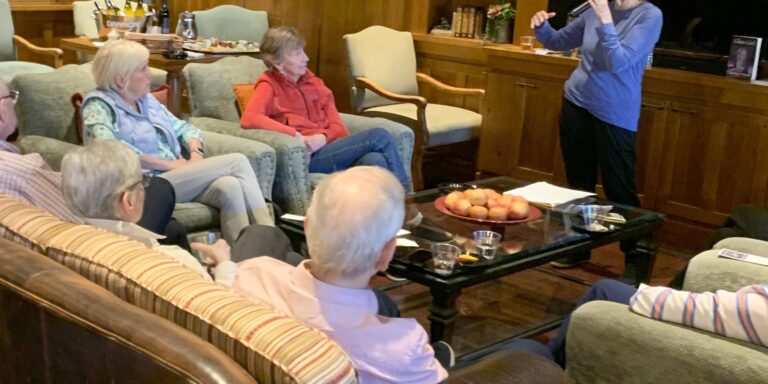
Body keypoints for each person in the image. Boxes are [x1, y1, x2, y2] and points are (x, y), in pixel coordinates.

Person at [233, 166, 450, 382]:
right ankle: (438, 356)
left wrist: (224, 263)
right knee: (389, 309)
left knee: (270, 242)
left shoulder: (250, 274)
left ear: (307, 228)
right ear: (386, 254)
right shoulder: (404, 346)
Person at [81, 40, 272, 243]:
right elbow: (110, 150)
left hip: (176, 176)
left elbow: (183, 127)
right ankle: (269, 240)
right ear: (121, 79)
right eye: (143, 69)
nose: (150, 74)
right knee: (237, 162)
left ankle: (243, 260)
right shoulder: (98, 105)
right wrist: (171, 164)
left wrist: (196, 154)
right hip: (146, 185)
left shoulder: (146, 99)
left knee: (230, 186)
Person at [531, 0, 663, 209]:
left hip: (615, 111)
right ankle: (579, 249)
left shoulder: (648, 16)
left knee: (619, 189)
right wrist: (542, 26)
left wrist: (605, 19)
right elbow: (560, 41)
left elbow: (618, 61)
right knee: (579, 188)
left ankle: (635, 250)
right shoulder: (596, 10)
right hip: (576, 103)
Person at [60, 140, 301, 285]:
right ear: (128, 201)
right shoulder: (171, 259)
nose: (146, 187)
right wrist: (225, 264)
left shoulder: (65, 247)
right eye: (142, 182)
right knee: (265, 236)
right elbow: (221, 309)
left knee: (290, 260)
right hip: (226, 319)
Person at [0, 77, 189, 248]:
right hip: (95, 244)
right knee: (159, 187)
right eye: (11, 97)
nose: (147, 74)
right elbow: (74, 213)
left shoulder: (147, 101)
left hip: (78, 235)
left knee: (173, 229)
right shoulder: (23, 171)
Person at [239, 26, 411, 192]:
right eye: (297, 53)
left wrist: (322, 137)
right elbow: (250, 118)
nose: (305, 58)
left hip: (331, 148)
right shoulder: (269, 85)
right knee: (379, 136)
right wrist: (295, 135)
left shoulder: (316, 84)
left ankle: (372, 218)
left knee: (375, 159)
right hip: (307, 156)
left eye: (303, 51)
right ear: (277, 62)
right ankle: (406, 200)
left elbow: (340, 129)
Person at [511, 278, 768, 368]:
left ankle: (547, 363)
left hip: (712, 321)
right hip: (732, 314)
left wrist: (648, 291)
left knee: (604, 290)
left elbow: (699, 308)